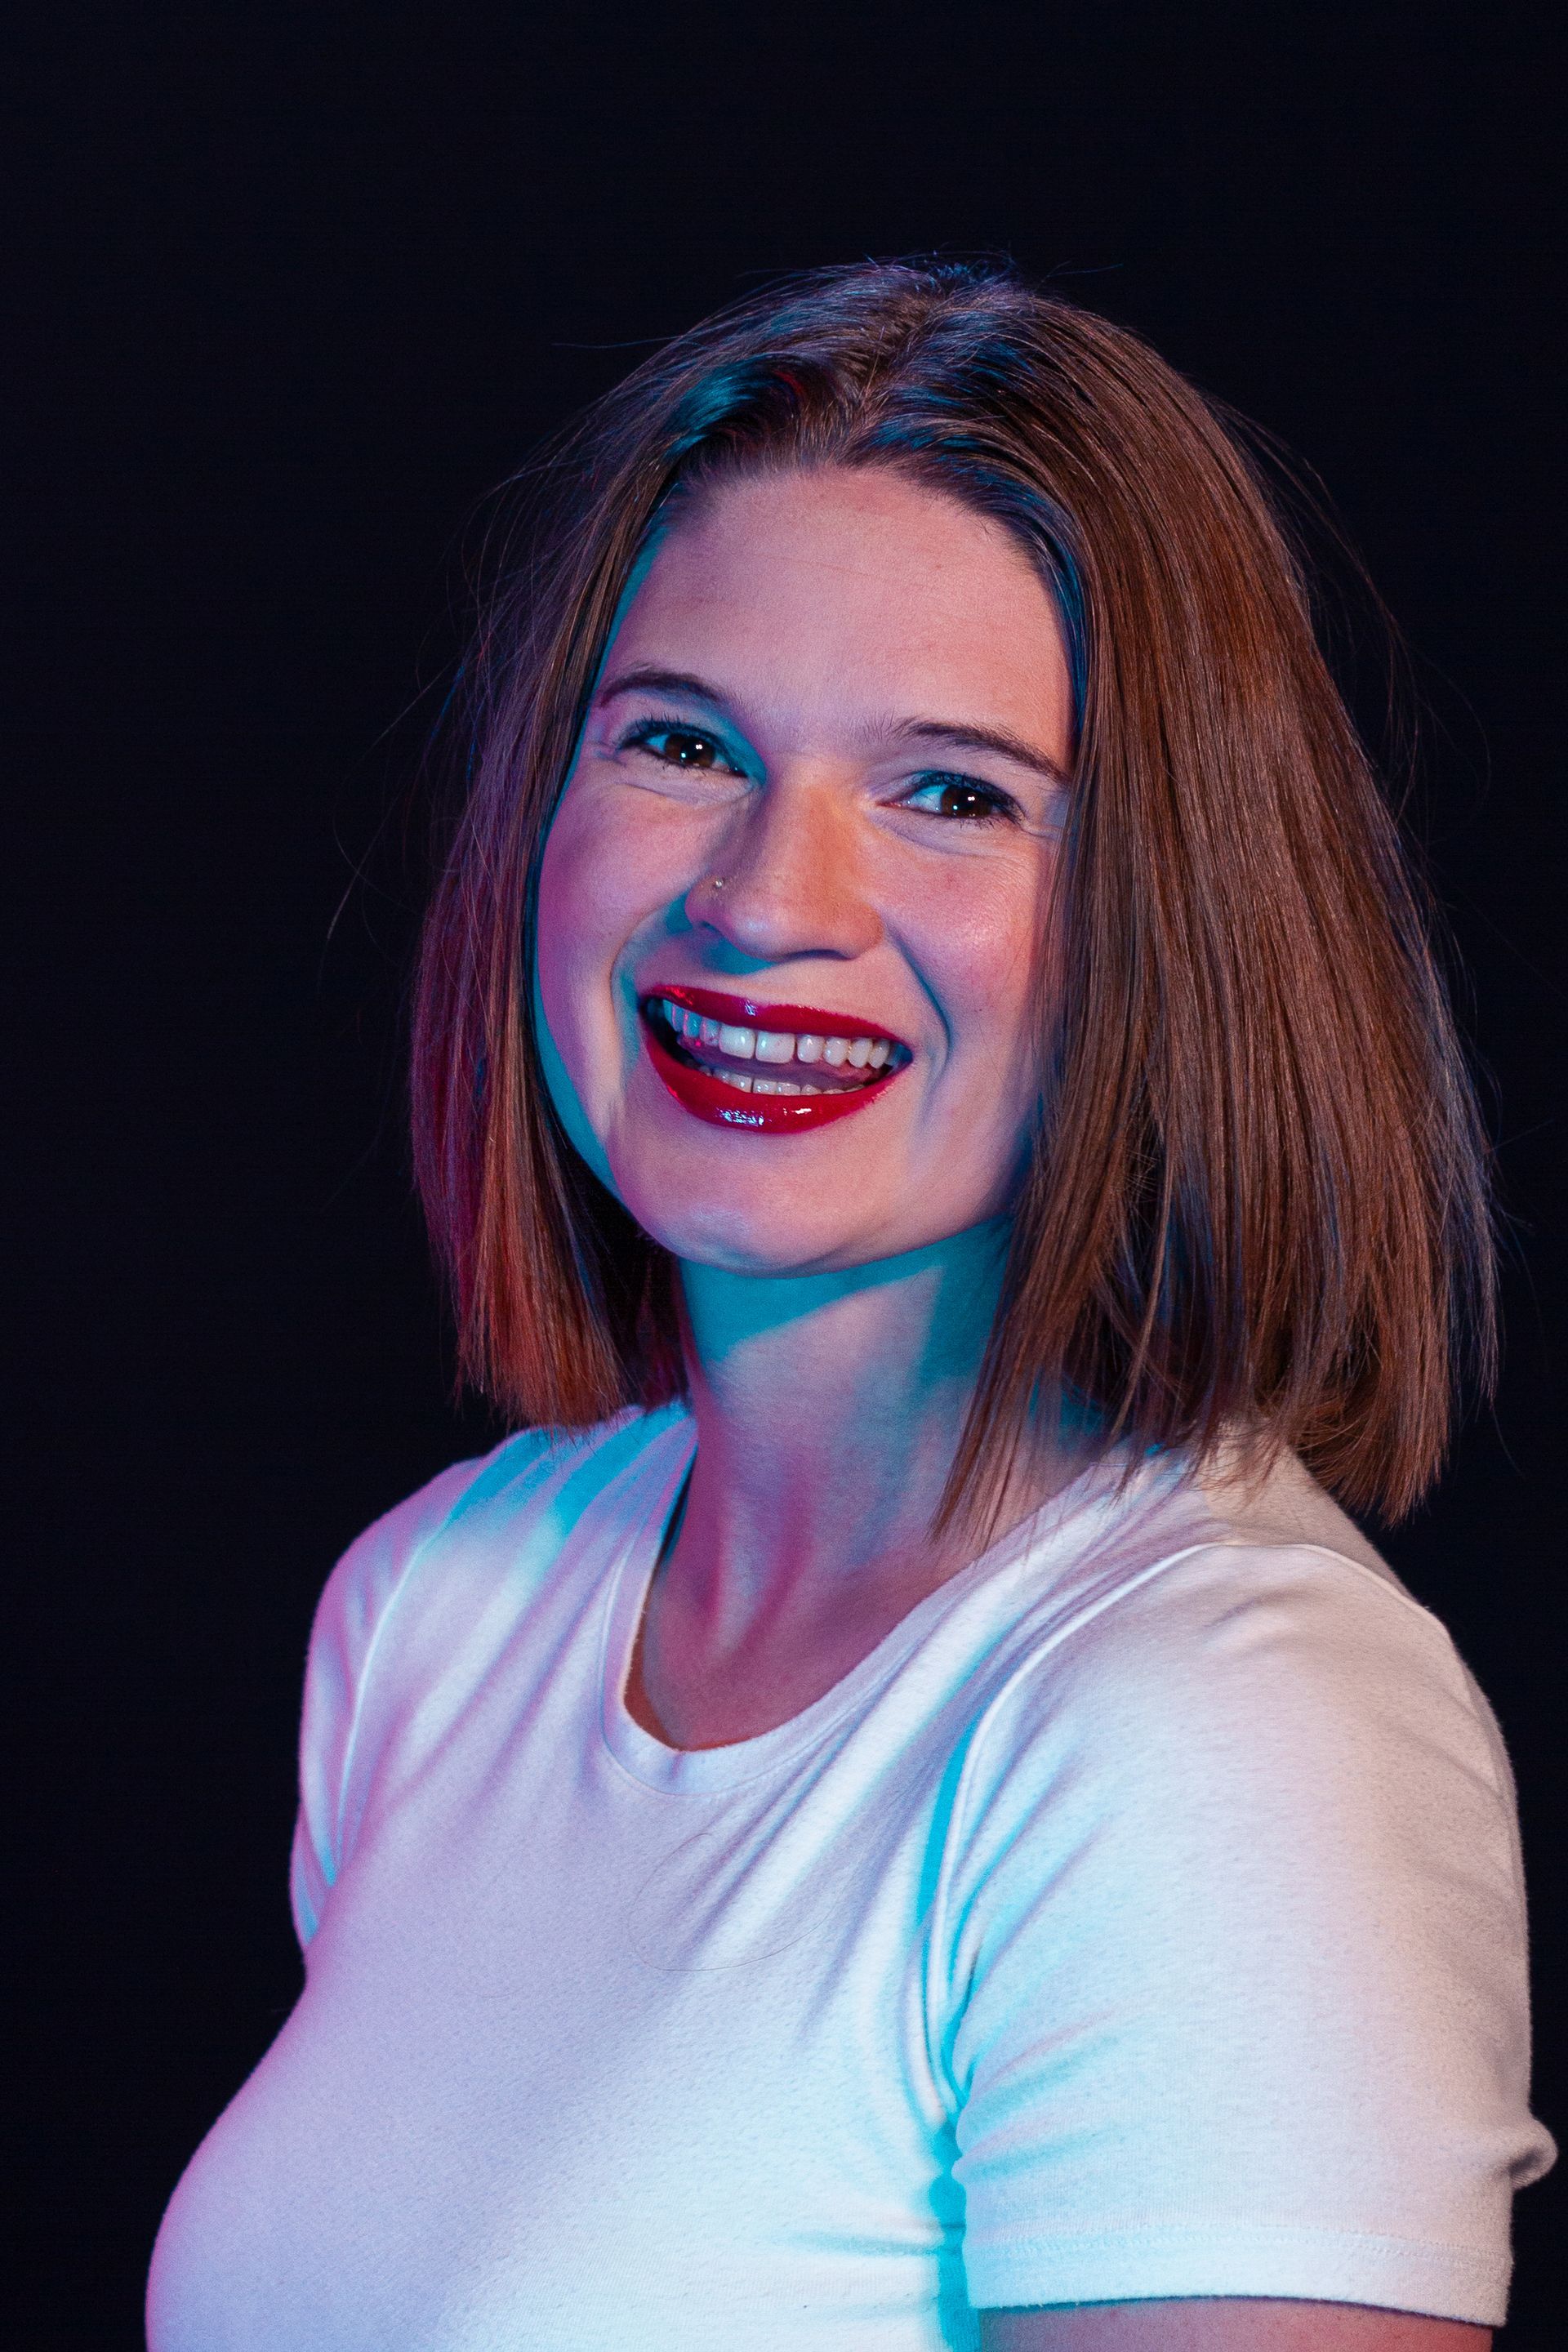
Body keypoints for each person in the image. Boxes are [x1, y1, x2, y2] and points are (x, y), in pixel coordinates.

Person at [146, 260, 1554, 2350]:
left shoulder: (1216, 1725)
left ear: (1173, 921)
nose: (762, 902)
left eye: (954, 791)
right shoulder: (443, 1614)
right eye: (686, 745)